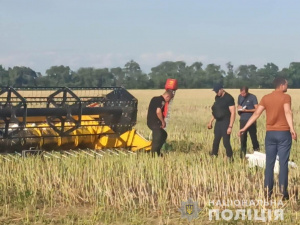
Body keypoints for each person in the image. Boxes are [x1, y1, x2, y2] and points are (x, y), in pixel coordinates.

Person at [238, 77, 297, 200]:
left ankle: (267, 191)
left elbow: (256, 114)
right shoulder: (286, 97)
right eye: (286, 84)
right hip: (283, 133)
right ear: (281, 85)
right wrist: (292, 128)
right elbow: (287, 112)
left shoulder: (266, 98)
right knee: (283, 163)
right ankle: (282, 191)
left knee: (269, 163)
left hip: (270, 134)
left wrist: (244, 128)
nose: (287, 86)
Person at [207, 84, 236, 160]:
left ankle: (229, 156)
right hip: (218, 121)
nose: (216, 93)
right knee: (216, 139)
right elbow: (216, 111)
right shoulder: (217, 97)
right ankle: (214, 154)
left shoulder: (229, 98)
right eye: (215, 91)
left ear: (222, 89)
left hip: (226, 121)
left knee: (226, 141)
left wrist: (230, 126)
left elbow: (233, 112)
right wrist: (210, 122)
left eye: (217, 91)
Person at [147, 89, 174, 157]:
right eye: (169, 99)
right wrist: (163, 121)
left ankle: (157, 152)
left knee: (163, 134)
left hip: (152, 121)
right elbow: (158, 111)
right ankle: (153, 155)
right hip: (154, 122)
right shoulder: (161, 101)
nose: (169, 101)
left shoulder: (155, 99)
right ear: (167, 96)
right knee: (157, 138)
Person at [237, 86, 260, 158]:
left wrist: (247, 111)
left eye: (244, 93)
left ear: (247, 92)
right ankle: (242, 154)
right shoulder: (239, 97)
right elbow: (239, 105)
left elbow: (257, 109)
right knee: (243, 138)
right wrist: (239, 109)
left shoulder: (253, 97)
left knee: (253, 137)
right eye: (241, 93)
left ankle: (257, 152)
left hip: (251, 119)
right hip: (243, 120)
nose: (242, 95)